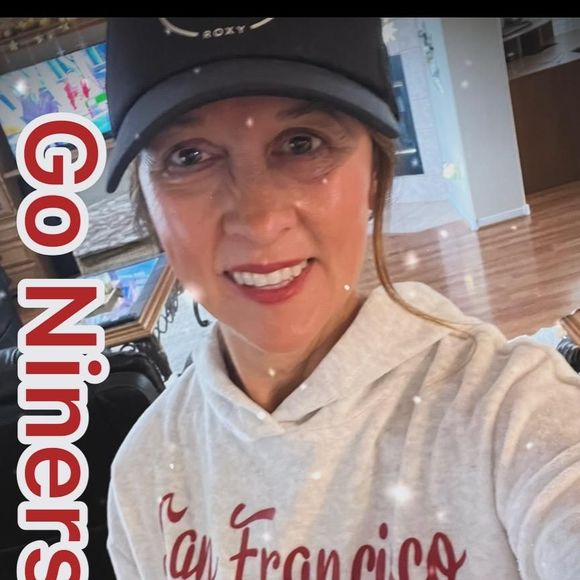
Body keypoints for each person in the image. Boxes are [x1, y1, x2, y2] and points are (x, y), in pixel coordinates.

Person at [104, 18, 580, 580]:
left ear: (376, 174)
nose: (258, 220)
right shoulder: (144, 475)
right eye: (188, 156)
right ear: (149, 207)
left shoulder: (514, 414)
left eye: (301, 143)